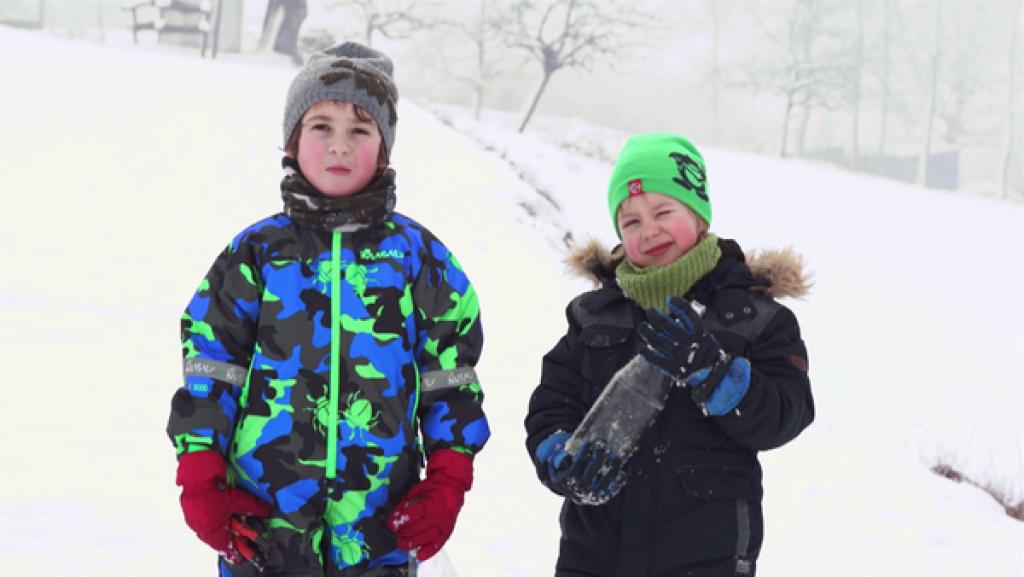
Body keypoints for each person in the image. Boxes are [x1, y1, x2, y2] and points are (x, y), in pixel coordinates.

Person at [167, 41, 490, 577]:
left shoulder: (419, 258)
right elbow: (210, 366)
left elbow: (450, 378)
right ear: (291, 145)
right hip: (265, 528)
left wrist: (449, 477)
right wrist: (200, 474)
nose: (339, 145)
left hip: (379, 529)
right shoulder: (257, 253)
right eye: (321, 126)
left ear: (382, 151)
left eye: (360, 130)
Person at [524, 132, 815, 577]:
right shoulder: (595, 315)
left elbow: (787, 413)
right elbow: (552, 402)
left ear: (699, 216)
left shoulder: (753, 318)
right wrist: (561, 457)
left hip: (705, 558)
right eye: (631, 221)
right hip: (594, 556)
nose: (649, 230)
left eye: (663, 212)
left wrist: (715, 373)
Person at [259, 0, 308, 66]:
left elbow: (271, 11)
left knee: (284, 44)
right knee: (281, 45)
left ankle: (296, 57)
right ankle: (294, 56)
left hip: (296, 14)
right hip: (295, 13)